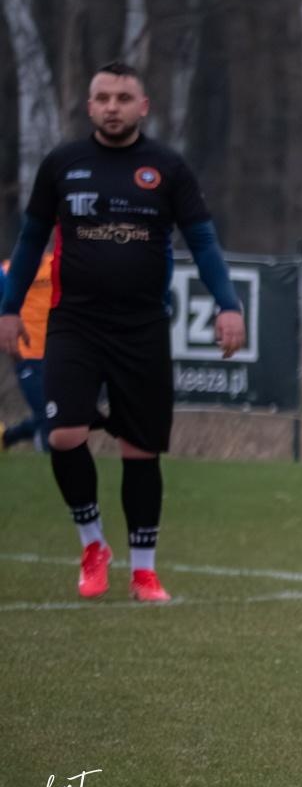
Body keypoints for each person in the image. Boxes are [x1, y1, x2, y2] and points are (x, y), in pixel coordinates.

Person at [0, 62, 245, 602]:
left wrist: (227, 305)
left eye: (123, 97)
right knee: (64, 435)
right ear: (90, 107)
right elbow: (28, 242)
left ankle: (143, 569)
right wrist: (8, 307)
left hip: (142, 328)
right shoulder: (63, 164)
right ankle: (92, 544)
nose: (113, 106)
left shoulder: (167, 168)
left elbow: (202, 244)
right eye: (103, 97)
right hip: (74, 324)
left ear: (143, 106)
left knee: (140, 450)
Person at [1, 248, 54, 452]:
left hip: (58, 354)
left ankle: (7, 437)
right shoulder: (8, 272)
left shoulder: (56, 266)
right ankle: (48, 459)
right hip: (26, 355)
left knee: (63, 413)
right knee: (47, 415)